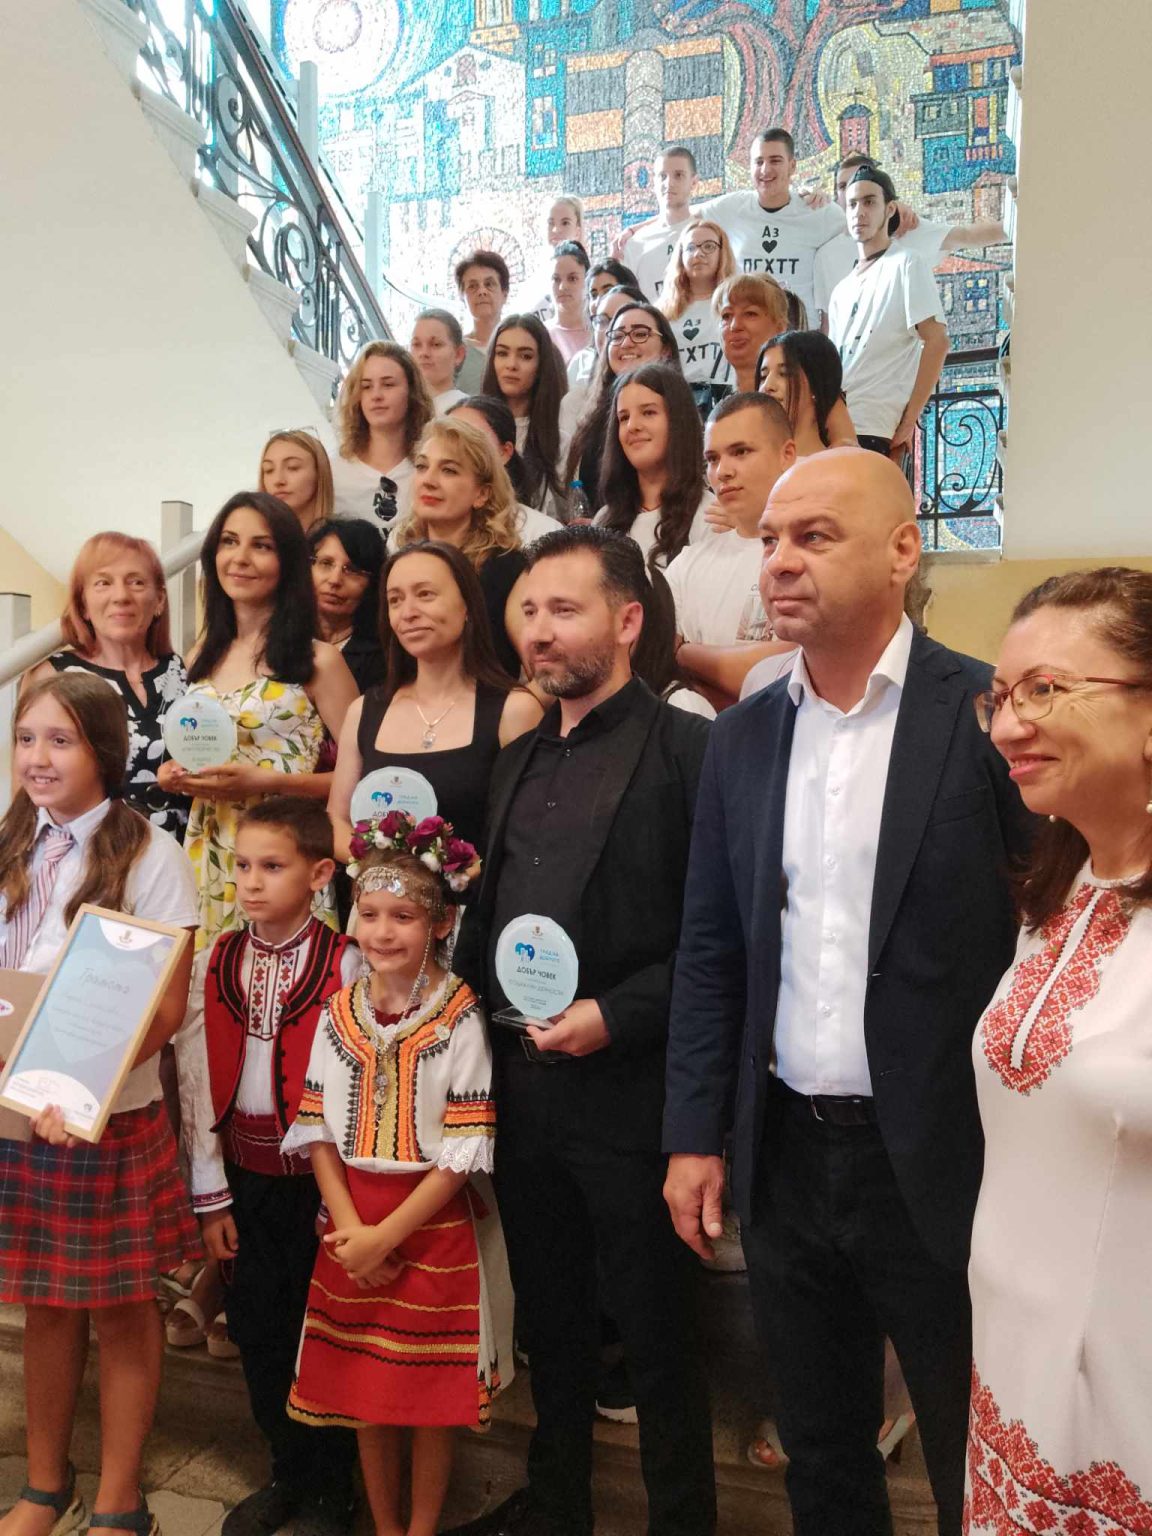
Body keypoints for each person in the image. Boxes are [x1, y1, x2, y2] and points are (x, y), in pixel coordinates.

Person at [662, 449, 1033, 1536]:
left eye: (814, 537)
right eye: (772, 539)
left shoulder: (986, 717)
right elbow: (711, 948)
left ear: (902, 551)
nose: (780, 561)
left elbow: (1043, 931)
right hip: (784, 1152)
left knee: (974, 1451)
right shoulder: (743, 737)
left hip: (943, 1153)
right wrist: (694, 1134)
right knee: (821, 1450)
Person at [450, 524, 716, 1536]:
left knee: (658, 1342)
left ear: (628, 619)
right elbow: (490, 921)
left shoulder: (691, 750)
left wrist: (616, 1014)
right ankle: (555, 1506)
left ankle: (681, 1525)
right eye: (528, 611)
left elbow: (723, 941)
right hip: (525, 1092)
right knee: (552, 1327)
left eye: (564, 609)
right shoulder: (516, 758)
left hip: (636, 1098)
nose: (539, 631)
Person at [964, 567, 1152, 1534]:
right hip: (1013, 1365)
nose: (1008, 725)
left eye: (1046, 690)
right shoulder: (1063, 887)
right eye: (1001, 696)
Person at [0, 672, 198, 1536]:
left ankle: (120, 1498)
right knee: (44, 1304)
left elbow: (165, 1007)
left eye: (61, 740)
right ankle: (47, 1485)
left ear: (104, 751)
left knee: (120, 1309)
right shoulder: (7, 840)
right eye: (26, 739)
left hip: (103, 1118)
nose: (38, 758)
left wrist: (75, 1085)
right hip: (17, 1116)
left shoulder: (151, 856)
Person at [283, 819, 507, 1536]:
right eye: (370, 913)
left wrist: (386, 1238)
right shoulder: (338, 1012)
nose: (382, 932)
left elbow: (464, 1149)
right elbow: (317, 1129)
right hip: (350, 1223)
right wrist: (355, 1232)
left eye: (403, 916)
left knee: (427, 1401)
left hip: (430, 1229)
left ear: (440, 924)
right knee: (366, 1398)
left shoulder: (459, 1016)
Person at [173, 797, 361, 1536]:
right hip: (244, 1180)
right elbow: (197, 1078)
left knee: (322, 1334)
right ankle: (287, 1471)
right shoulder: (217, 959)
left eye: (272, 866)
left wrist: (343, 1199)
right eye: (244, 866)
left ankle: (333, 1491)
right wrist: (211, 1195)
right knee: (257, 1330)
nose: (251, 882)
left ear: (319, 875)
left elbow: (359, 1087)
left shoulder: (346, 963)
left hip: (320, 1188)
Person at [158, 493, 358, 947]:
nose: (241, 558)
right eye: (229, 542)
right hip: (209, 846)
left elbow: (360, 778)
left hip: (285, 852)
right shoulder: (201, 654)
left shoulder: (319, 660)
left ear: (288, 561)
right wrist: (177, 776)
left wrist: (269, 782)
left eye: (261, 546)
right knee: (210, 979)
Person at [329, 541, 542, 861]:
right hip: (377, 889)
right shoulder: (364, 711)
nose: (408, 613)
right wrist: (388, 870)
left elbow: (530, 834)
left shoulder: (514, 710)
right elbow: (337, 819)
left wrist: (453, 874)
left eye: (425, 594)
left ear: (467, 605)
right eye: (395, 600)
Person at [23, 532, 190, 840]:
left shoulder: (181, 671)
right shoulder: (53, 677)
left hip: (182, 852)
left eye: (136, 582)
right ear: (83, 604)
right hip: (94, 853)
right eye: (103, 583)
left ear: (159, 600)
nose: (121, 596)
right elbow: (30, 790)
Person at [665, 394, 795, 674]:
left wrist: (685, 653)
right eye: (712, 459)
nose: (722, 472)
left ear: (787, 455)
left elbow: (791, 671)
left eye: (741, 452)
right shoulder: (687, 564)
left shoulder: (814, 556)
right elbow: (657, 662)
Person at [828, 166, 949, 462]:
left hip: (877, 427)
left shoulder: (907, 264)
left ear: (890, 208)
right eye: (853, 204)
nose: (859, 212)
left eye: (870, 202)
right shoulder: (841, 289)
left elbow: (937, 342)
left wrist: (909, 421)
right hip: (835, 428)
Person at [395, 420, 528, 679]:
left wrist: (520, 704)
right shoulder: (401, 563)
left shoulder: (507, 569)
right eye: (422, 466)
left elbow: (547, 672)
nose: (428, 481)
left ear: (482, 494)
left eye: (449, 470)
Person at [813, 152, 1008, 327]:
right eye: (842, 186)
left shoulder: (905, 230)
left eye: (857, 182)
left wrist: (1020, 222)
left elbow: (966, 236)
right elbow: (829, 323)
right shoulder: (826, 255)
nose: (851, 191)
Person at [696, 128, 846, 324]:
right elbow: (679, 218)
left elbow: (863, 230)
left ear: (792, 166)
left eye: (775, 161)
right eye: (759, 162)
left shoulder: (818, 210)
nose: (765, 170)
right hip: (746, 330)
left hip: (799, 329)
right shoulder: (732, 207)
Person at [564, 298, 681, 512]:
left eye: (640, 334)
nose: (626, 343)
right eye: (617, 336)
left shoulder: (682, 412)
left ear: (666, 349)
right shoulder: (591, 419)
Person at [595, 362, 711, 568]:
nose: (632, 426)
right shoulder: (604, 520)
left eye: (648, 412)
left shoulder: (710, 516)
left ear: (679, 421)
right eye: (624, 417)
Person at [331, 341, 435, 532]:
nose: (376, 395)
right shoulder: (334, 473)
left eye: (388, 385)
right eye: (366, 387)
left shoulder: (429, 471)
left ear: (411, 391)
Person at [482, 314, 568, 517]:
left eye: (525, 356)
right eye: (502, 353)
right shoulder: (471, 427)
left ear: (540, 366)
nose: (511, 365)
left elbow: (568, 514)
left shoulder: (560, 442)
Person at [446, 397, 563, 541]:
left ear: (505, 451)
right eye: (446, 437)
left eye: (472, 440)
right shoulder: (423, 523)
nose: (453, 450)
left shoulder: (541, 532)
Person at [558, 281, 647, 454]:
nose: (614, 330)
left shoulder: (677, 402)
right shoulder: (575, 404)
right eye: (603, 321)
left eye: (624, 317)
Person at [307, 518, 387, 694]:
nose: (335, 580)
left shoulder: (384, 658)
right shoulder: (276, 634)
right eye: (326, 563)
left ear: (373, 583)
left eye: (352, 570)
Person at [659, 219, 735, 391]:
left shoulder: (735, 304)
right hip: (677, 398)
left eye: (708, 246)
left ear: (722, 252)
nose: (698, 253)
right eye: (691, 248)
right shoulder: (663, 311)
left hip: (726, 397)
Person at [756, 330, 858, 456]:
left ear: (817, 386)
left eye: (784, 374)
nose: (767, 386)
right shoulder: (747, 462)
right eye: (763, 376)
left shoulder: (841, 463)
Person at [620, 146, 700, 300]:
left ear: (694, 182)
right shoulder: (635, 245)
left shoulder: (707, 235)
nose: (668, 183)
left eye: (678, 175)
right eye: (662, 176)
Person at [565, 261, 639, 390]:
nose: (599, 301)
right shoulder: (580, 363)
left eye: (608, 290)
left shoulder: (641, 347)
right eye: (593, 295)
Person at [715, 273, 790, 394]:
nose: (735, 326)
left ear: (780, 328)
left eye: (750, 314)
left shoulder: (797, 399)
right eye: (726, 315)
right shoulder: (721, 404)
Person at [455, 250, 512, 394]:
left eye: (489, 284)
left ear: (504, 294)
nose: (481, 291)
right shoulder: (455, 352)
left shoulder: (521, 346)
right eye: (472, 286)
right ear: (462, 297)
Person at [258, 430, 334, 536]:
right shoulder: (255, 540)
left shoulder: (345, 540)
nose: (278, 480)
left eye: (293, 467)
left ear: (319, 472)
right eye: (269, 470)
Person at [411, 309, 468, 413]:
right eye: (416, 344)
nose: (424, 353)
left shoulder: (467, 411)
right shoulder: (400, 408)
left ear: (458, 354)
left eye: (436, 344)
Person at [546, 241, 591, 365]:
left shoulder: (600, 333)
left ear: (588, 282)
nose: (562, 287)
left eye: (572, 279)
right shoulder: (540, 335)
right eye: (556, 279)